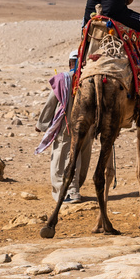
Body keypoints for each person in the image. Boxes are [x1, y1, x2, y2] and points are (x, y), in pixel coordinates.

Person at [37, 51, 89, 202]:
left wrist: (42, 124)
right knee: (81, 156)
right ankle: (75, 189)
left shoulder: (63, 79)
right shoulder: (90, 79)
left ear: (70, 63)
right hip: (87, 125)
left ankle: (69, 193)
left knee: (64, 157)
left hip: (68, 125)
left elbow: (51, 101)